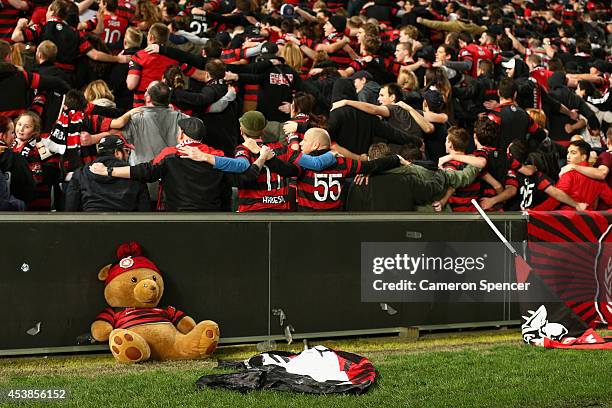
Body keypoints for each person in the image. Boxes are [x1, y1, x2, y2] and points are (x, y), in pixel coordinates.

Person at [89, 117, 270, 211]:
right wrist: (261, 158)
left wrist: (109, 171)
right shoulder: (217, 157)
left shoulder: (171, 154)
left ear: (182, 134)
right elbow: (245, 177)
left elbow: (144, 172)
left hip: (177, 217)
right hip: (213, 218)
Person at [65, 135, 150, 211]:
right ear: (117, 153)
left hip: (91, 225)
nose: (128, 156)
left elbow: (70, 209)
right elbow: (145, 213)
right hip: (125, 226)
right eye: (127, 151)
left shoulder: (80, 173)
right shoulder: (134, 175)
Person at [535, 140, 612, 211]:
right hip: (589, 221)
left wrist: (533, 212)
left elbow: (555, 200)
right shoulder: (598, 179)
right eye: (568, 152)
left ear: (583, 157)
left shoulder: (569, 174)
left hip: (567, 219)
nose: (568, 156)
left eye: (573, 153)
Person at [0, 115, 35, 204]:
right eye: (12, 133)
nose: (14, 136)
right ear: (2, 136)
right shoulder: (17, 160)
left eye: (27, 126)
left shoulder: (34, 150)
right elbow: (29, 192)